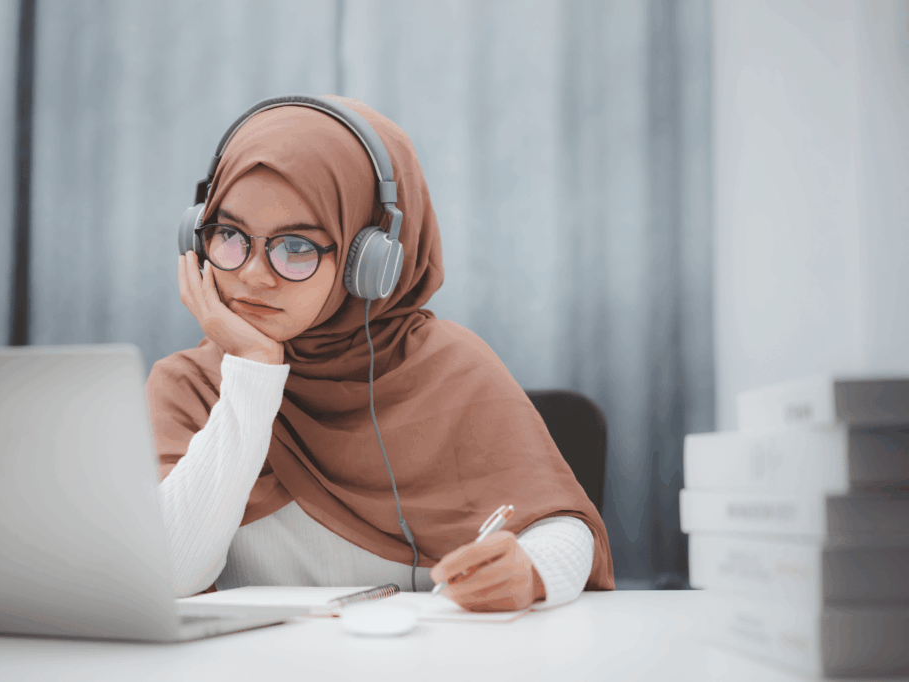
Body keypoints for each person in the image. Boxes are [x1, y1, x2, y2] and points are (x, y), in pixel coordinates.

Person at [147, 96, 614, 612]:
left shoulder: (448, 367)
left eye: (297, 246)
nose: (253, 274)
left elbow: (566, 530)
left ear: (369, 262)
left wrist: (531, 570)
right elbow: (170, 573)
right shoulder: (188, 384)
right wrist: (253, 370)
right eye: (229, 235)